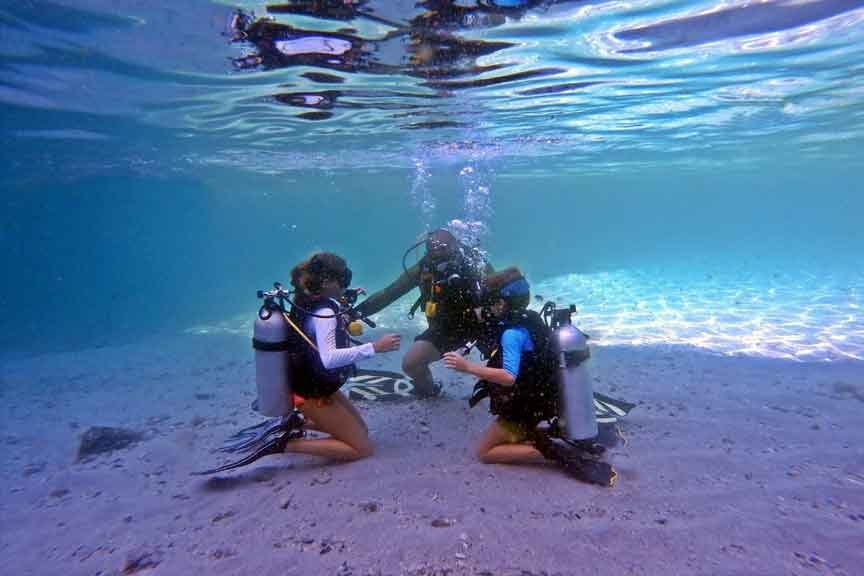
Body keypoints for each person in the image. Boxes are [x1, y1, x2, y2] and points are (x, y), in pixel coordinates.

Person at [198, 252, 400, 474]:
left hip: (316, 384)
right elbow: (329, 358)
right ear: (326, 282)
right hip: (311, 393)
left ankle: (292, 424)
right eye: (342, 279)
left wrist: (347, 295)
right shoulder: (324, 312)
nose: (345, 282)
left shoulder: (306, 299)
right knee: (362, 448)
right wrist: (375, 347)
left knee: (362, 430)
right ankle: (282, 444)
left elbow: (329, 308)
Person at [442, 267, 616, 486]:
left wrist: (467, 367)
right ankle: (546, 435)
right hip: (546, 399)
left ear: (501, 303)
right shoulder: (531, 318)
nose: (488, 309)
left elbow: (508, 377)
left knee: (484, 451)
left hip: (524, 408)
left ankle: (549, 450)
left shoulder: (511, 334)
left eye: (490, 303)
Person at [352, 229, 492, 397]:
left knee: (509, 360)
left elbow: (503, 293)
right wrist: (353, 314)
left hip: (482, 323)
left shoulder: (474, 264)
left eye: (445, 253)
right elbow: (389, 293)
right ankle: (430, 392)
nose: (440, 261)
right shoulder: (423, 269)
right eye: (434, 254)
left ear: (457, 248)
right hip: (445, 328)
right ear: (428, 253)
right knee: (411, 364)